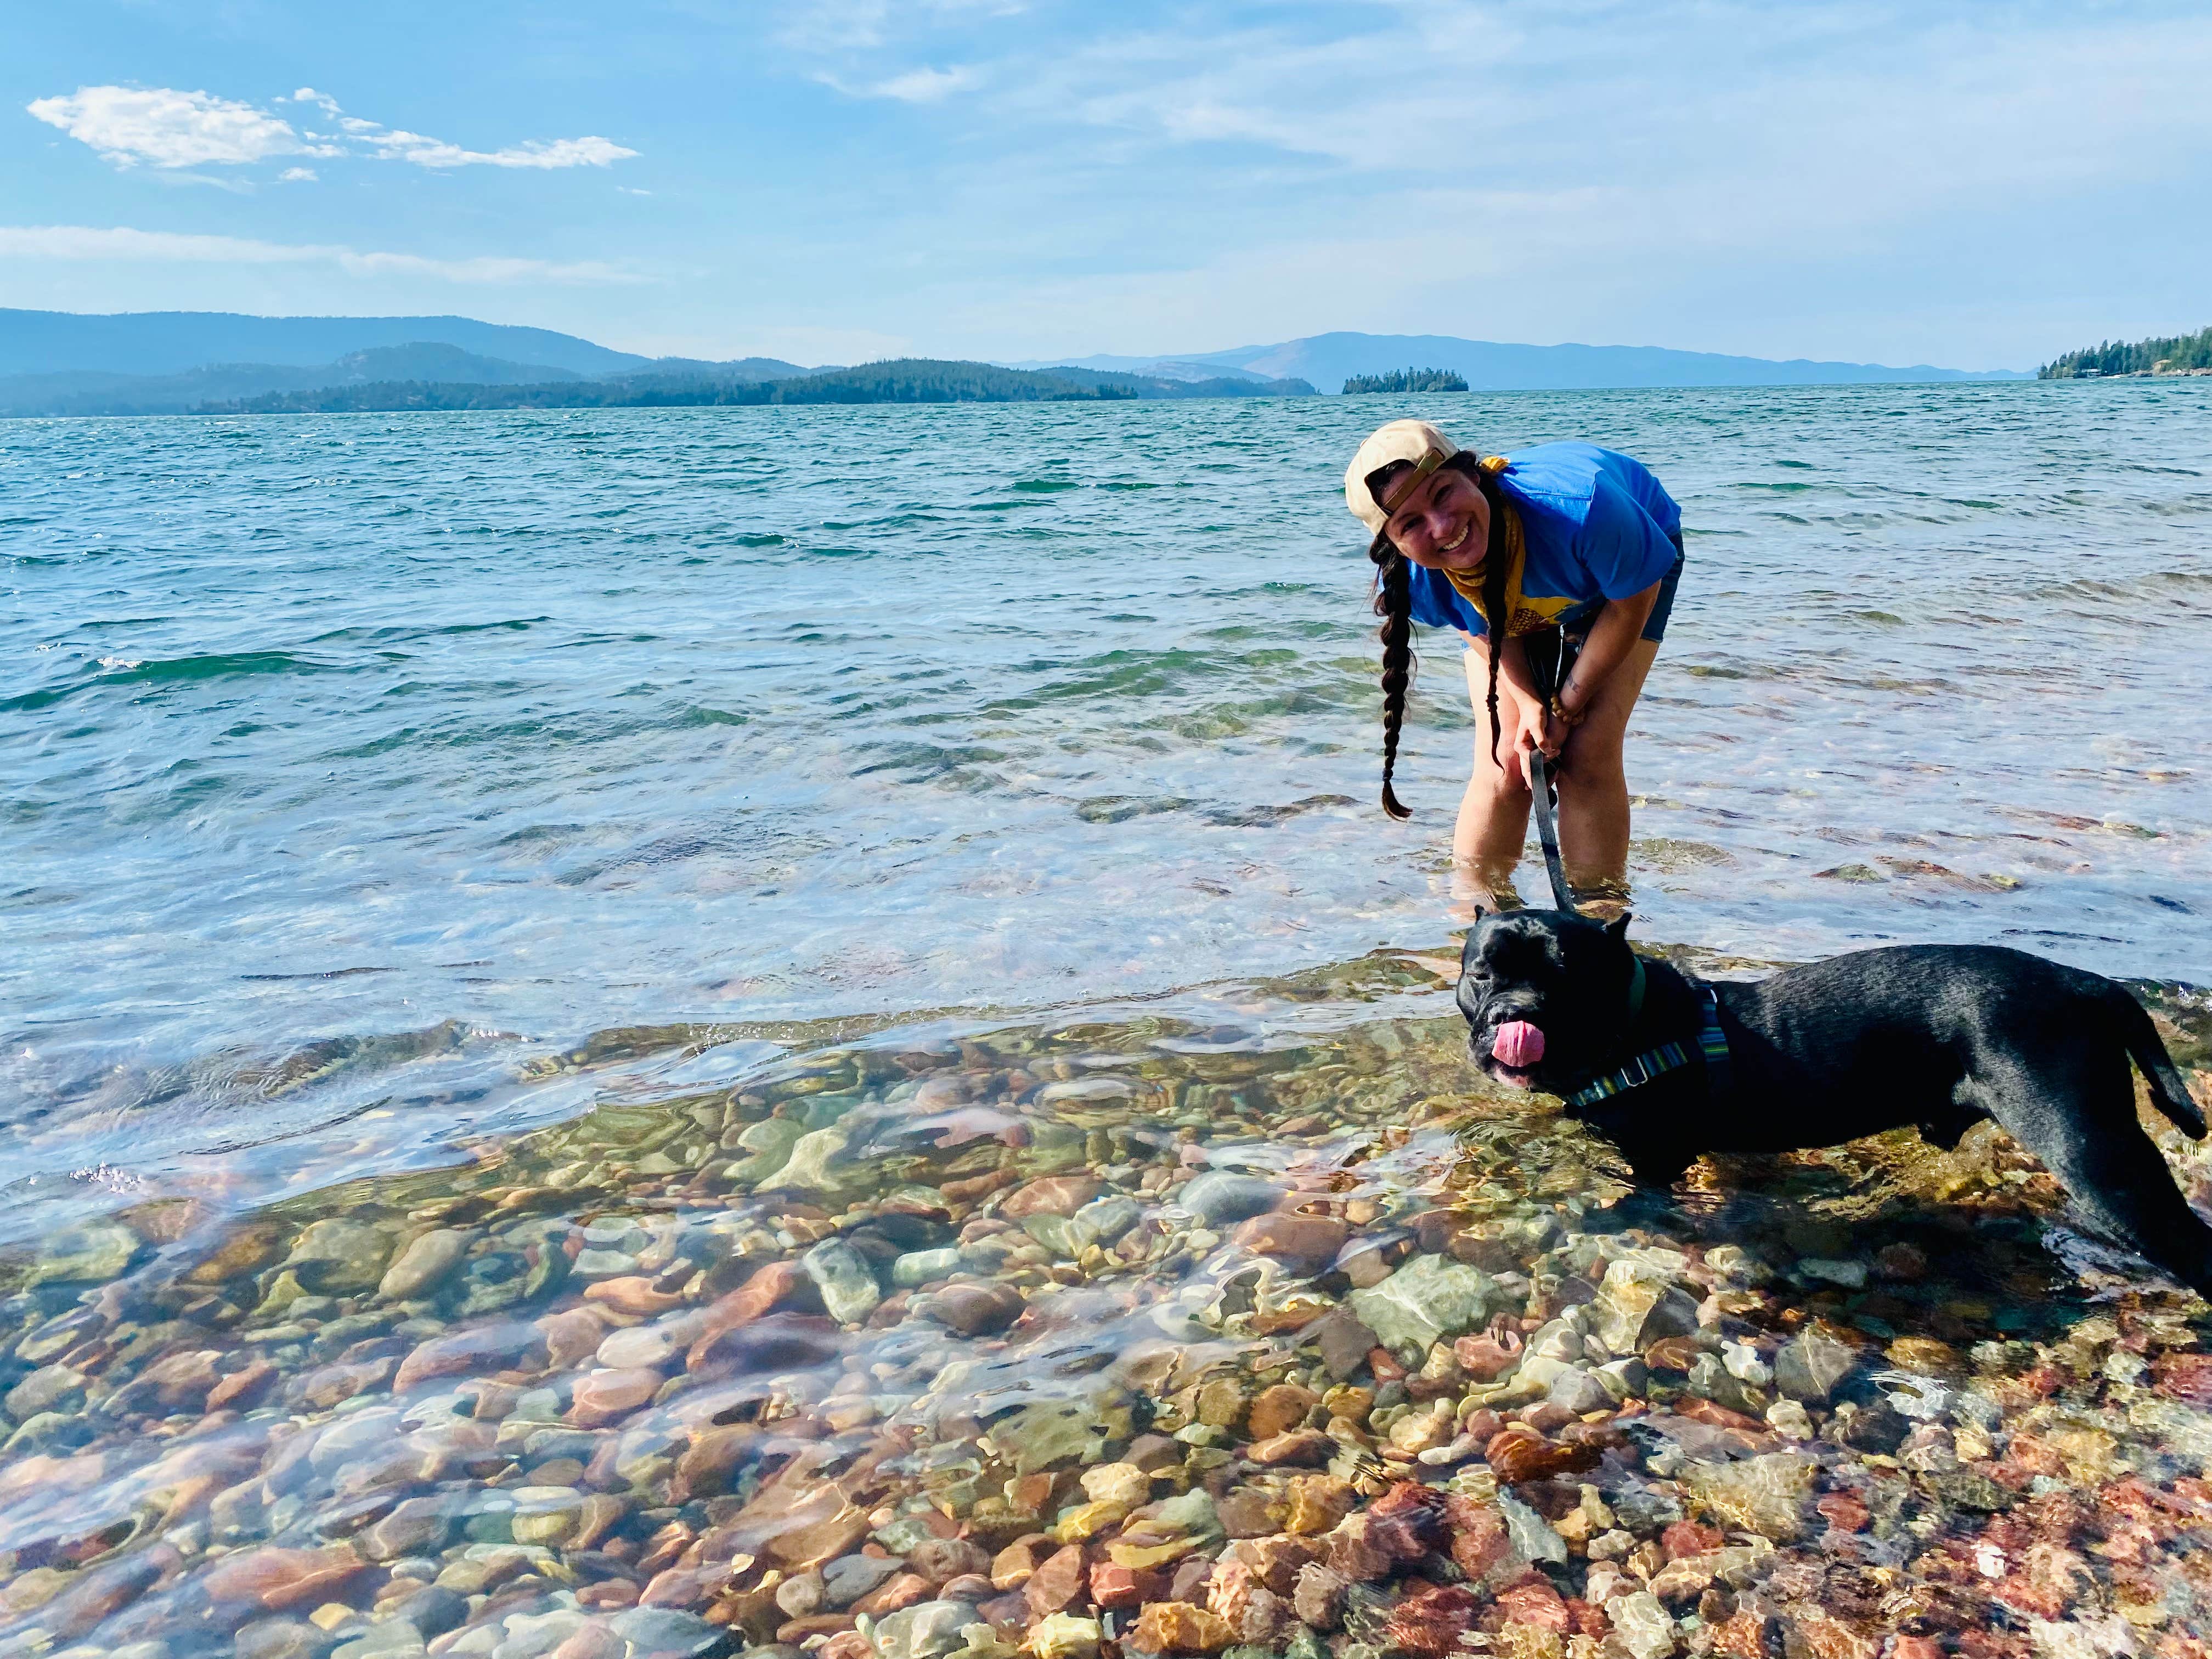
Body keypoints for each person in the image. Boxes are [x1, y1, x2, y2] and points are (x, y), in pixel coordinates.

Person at [1343, 419, 1685, 908]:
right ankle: (1480, 927)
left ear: (1475, 474)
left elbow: (1632, 600)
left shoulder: (1585, 508)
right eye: (1410, 524)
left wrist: (1565, 707)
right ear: (1394, 546)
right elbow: (1481, 629)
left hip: (1625, 566)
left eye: (1442, 494)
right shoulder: (1415, 578)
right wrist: (1529, 705)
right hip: (1514, 601)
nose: (1441, 528)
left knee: (1588, 750)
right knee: (1506, 761)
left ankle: (1600, 926)